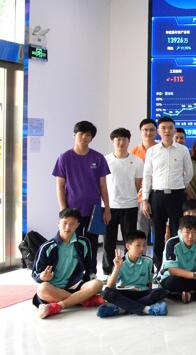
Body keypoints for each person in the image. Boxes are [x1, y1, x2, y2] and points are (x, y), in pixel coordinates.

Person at [52, 120, 111, 271]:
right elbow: (59, 186)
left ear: (91, 138)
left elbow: (103, 185)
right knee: (74, 243)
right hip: (72, 211)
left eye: (88, 135)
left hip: (94, 210)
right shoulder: (64, 158)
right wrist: (64, 211)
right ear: (74, 135)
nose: (84, 137)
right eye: (81, 133)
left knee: (92, 244)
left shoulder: (98, 158)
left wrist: (107, 208)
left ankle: (91, 273)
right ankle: (75, 274)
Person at [32, 208, 105, 319]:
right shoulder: (46, 247)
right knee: (42, 289)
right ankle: (83, 300)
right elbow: (35, 274)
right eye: (65, 223)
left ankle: (59, 305)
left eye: (72, 224)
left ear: (77, 225)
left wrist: (91, 279)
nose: (67, 227)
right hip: (54, 288)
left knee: (97, 283)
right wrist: (42, 276)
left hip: (76, 285)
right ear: (58, 223)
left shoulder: (84, 243)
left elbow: (90, 267)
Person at [141, 117, 193, 269]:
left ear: (174, 130)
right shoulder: (152, 151)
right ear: (158, 131)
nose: (167, 131)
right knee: (157, 233)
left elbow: (189, 173)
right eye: (163, 128)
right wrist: (145, 199)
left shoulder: (183, 150)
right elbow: (147, 176)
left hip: (177, 196)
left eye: (170, 127)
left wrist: (180, 186)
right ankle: (159, 266)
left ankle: (177, 264)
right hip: (157, 196)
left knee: (178, 231)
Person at [98, 229, 168, 317]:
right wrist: (117, 268)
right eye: (138, 245)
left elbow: (149, 284)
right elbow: (110, 286)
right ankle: (147, 309)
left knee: (162, 291)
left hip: (141, 293)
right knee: (106, 292)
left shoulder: (148, 261)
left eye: (144, 245)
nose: (142, 248)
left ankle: (122, 308)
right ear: (128, 246)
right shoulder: (120, 262)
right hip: (124, 293)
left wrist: (149, 294)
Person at [103, 127, 143, 275]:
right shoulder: (105, 160)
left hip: (130, 206)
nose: (121, 142)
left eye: (124, 139)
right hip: (109, 207)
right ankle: (108, 271)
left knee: (130, 242)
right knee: (109, 241)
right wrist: (105, 206)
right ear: (112, 141)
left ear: (128, 141)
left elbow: (138, 184)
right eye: (118, 139)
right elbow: (101, 184)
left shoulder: (137, 161)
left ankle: (128, 270)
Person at [157, 215, 196, 303]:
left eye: (195, 232)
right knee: (172, 282)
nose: (190, 236)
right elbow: (172, 270)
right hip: (174, 277)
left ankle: (187, 296)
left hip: (192, 277)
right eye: (187, 232)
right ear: (181, 231)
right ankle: (191, 294)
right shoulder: (172, 243)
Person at [131, 118, 157, 236]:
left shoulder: (161, 150)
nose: (148, 133)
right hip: (140, 198)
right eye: (145, 130)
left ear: (156, 132)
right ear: (140, 132)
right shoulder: (133, 152)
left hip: (158, 195)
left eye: (152, 130)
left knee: (159, 230)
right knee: (141, 231)